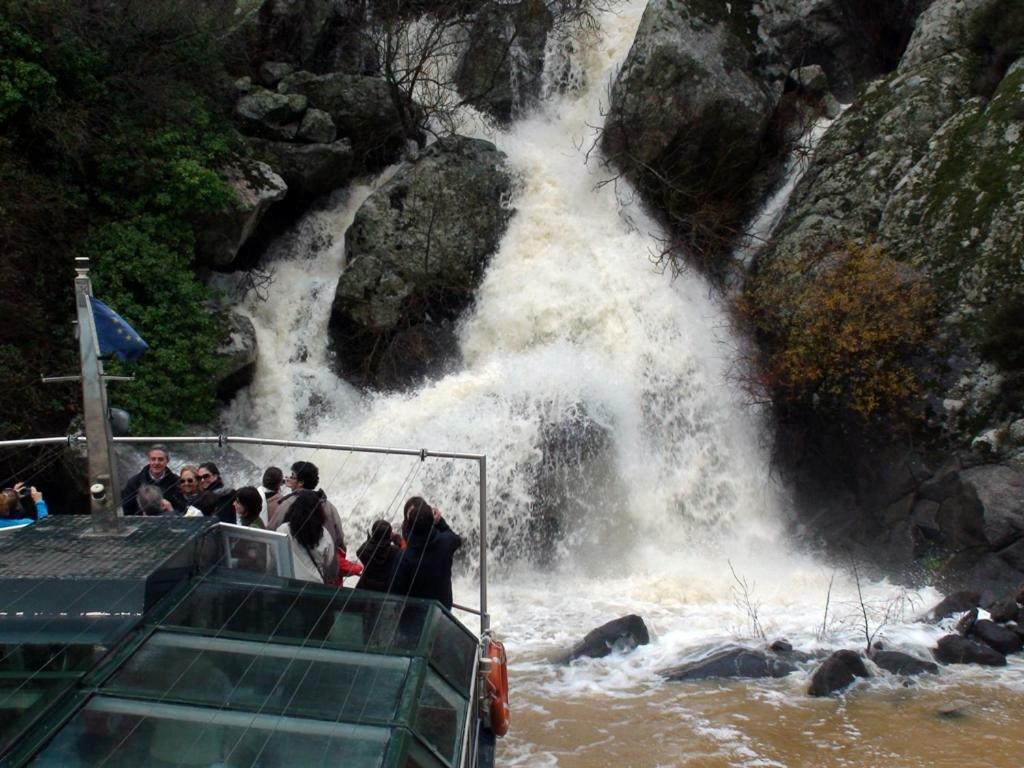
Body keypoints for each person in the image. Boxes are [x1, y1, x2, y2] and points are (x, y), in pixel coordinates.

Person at [391, 497, 462, 610]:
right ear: (432, 522)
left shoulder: (404, 556)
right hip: (442, 611)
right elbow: (456, 539)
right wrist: (440, 522)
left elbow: (396, 592)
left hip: (414, 614)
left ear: (410, 526)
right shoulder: (446, 543)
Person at [278, 490, 339, 584]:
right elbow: (328, 561)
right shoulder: (324, 534)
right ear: (319, 512)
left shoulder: (283, 530)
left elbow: (274, 555)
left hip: (288, 583)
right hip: (314, 586)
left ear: (294, 509)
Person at [122, 445, 184, 515]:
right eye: (153, 459)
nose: (156, 463)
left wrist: (171, 511)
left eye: (160, 459)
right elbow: (127, 512)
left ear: (167, 461)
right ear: (149, 460)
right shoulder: (134, 482)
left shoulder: (177, 482)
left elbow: (183, 510)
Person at [356, 520, 402, 593]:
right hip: (385, 589)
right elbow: (404, 555)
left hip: (366, 586)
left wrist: (370, 540)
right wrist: (399, 542)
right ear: (389, 535)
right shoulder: (394, 551)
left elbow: (358, 552)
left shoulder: (364, 551)